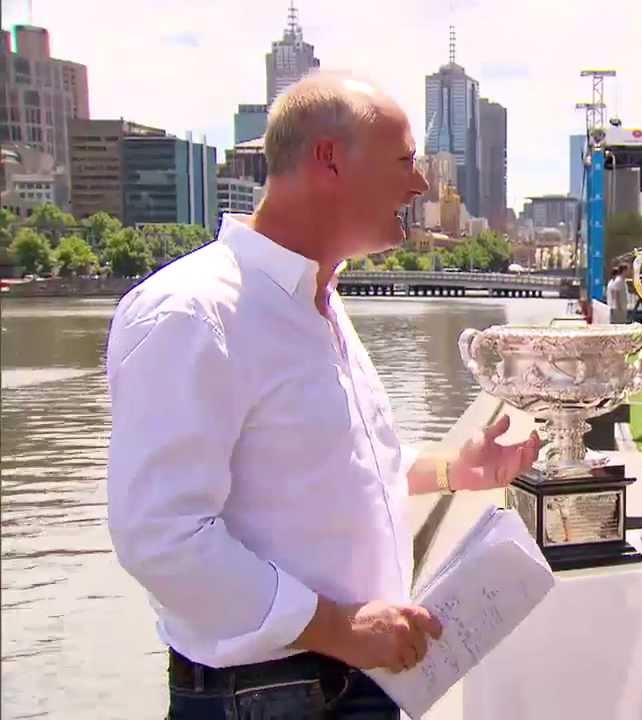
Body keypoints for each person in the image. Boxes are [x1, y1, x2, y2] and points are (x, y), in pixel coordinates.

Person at [106, 72, 541, 719]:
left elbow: (336, 471)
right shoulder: (192, 312)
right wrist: (340, 628)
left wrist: (456, 469)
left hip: (351, 679)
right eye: (404, 162)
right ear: (329, 159)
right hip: (270, 695)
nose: (419, 186)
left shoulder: (317, 301)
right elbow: (159, 537)